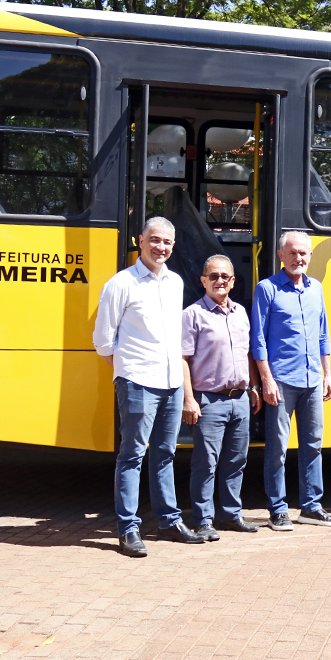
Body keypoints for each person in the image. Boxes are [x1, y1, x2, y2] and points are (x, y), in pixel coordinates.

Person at [94, 217, 204, 557]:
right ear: (140, 240)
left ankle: (169, 522)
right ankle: (128, 529)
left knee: (164, 456)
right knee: (132, 457)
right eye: (155, 240)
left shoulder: (175, 283)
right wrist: (128, 373)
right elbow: (103, 342)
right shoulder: (121, 284)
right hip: (138, 383)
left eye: (168, 242)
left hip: (171, 383)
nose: (161, 247)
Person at [253, 231, 331, 531]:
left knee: (313, 445)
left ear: (310, 256)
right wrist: (267, 380)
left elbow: (323, 334)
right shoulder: (267, 289)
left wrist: (327, 375)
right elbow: (258, 340)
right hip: (281, 381)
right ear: (280, 256)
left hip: (313, 379)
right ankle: (277, 509)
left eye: (303, 253)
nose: (297, 258)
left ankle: (311, 507)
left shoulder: (316, 289)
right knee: (277, 448)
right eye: (291, 253)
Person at [181, 254, 263, 540]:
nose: (219, 281)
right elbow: (183, 360)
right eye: (213, 276)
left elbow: (248, 354)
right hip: (209, 400)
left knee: (236, 461)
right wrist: (189, 400)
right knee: (206, 463)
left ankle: (231, 514)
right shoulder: (192, 315)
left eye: (224, 277)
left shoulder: (241, 312)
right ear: (203, 280)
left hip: (239, 398)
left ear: (232, 282)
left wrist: (253, 388)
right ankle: (204, 520)